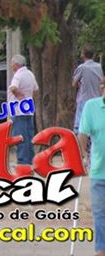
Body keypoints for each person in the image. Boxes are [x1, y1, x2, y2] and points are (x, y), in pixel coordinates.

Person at [78, 78, 105, 256]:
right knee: (100, 215)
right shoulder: (91, 106)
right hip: (99, 171)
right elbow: (83, 134)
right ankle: (101, 250)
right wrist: (82, 155)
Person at [8, 54, 39, 165]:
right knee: (29, 135)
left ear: (16, 65)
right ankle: (30, 159)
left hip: (18, 110)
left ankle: (22, 161)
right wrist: (28, 97)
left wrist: (18, 95)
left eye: (12, 64)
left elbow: (13, 87)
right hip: (28, 110)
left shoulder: (18, 75)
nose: (12, 67)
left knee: (20, 136)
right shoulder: (30, 74)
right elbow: (35, 89)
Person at [74, 46, 103, 133]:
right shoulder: (99, 67)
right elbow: (102, 81)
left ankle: (79, 144)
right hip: (97, 99)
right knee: (95, 123)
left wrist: (80, 85)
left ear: (83, 55)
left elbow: (74, 83)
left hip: (84, 99)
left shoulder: (82, 68)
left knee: (79, 124)